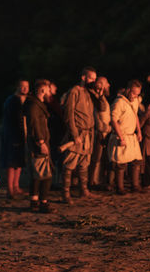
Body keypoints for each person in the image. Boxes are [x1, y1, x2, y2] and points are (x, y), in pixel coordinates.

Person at [60, 66, 106, 204]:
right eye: (91, 78)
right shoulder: (74, 91)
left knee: (84, 163)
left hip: (89, 134)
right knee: (69, 163)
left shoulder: (90, 92)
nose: (93, 81)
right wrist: (74, 135)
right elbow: (68, 115)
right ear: (83, 77)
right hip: (78, 133)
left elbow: (102, 108)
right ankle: (65, 194)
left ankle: (84, 190)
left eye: (94, 78)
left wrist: (100, 94)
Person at [107, 80, 144, 195]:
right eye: (133, 93)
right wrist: (121, 138)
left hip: (132, 136)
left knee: (136, 161)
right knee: (121, 163)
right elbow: (113, 120)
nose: (135, 96)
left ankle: (135, 185)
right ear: (128, 90)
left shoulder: (135, 101)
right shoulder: (119, 102)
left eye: (137, 94)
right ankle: (120, 188)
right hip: (122, 135)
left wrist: (139, 131)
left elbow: (135, 115)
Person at [24, 79, 55, 213]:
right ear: (43, 90)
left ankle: (35, 201)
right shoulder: (34, 106)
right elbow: (34, 124)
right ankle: (43, 202)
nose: (50, 92)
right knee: (44, 174)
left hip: (38, 143)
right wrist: (41, 142)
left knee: (38, 174)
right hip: (38, 144)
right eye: (48, 90)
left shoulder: (35, 104)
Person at [0, 79, 29, 199]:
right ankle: (10, 189)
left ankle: (16, 186)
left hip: (20, 134)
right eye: (22, 86)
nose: (25, 89)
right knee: (11, 163)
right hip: (12, 135)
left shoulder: (23, 100)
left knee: (19, 161)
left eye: (27, 86)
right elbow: (15, 120)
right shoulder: (13, 100)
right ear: (17, 87)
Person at [88, 76, 112, 190]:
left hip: (103, 131)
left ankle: (96, 181)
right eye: (107, 83)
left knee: (101, 159)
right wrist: (107, 129)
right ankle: (91, 182)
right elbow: (99, 114)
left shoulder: (100, 97)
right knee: (96, 158)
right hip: (100, 132)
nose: (109, 85)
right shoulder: (96, 98)